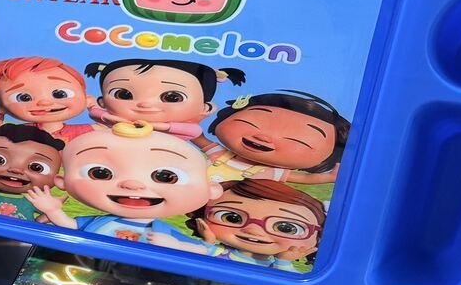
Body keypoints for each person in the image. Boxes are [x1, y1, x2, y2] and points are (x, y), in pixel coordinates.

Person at [26, 121, 218, 252]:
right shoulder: (97, 221)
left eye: (166, 177)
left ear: (211, 190)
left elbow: (203, 250)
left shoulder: (163, 230)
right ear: (62, 181)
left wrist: (177, 245)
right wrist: (52, 210)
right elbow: (70, 225)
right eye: (100, 173)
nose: (132, 185)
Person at [198, 90, 350, 185]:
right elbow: (198, 137)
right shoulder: (219, 154)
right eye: (256, 120)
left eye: (296, 138)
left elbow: (304, 179)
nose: (263, 137)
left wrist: (330, 177)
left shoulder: (270, 172)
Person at [84, 58, 245, 139]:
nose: (145, 104)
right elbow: (96, 113)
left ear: (205, 108)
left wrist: (158, 126)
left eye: (172, 97)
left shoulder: (183, 129)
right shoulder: (111, 120)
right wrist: (107, 115)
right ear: (102, 101)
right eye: (123, 94)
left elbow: (194, 131)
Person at [185, 179, 326, 269]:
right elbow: (194, 256)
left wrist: (283, 261)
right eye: (231, 218)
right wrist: (207, 242)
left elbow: (287, 284)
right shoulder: (218, 251)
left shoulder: (275, 266)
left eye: (286, 228)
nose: (253, 231)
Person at [0, 56, 93, 143]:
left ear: (86, 98)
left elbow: (103, 129)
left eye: (60, 94)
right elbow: (3, 140)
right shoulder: (22, 132)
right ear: (0, 107)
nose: (44, 102)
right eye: (24, 97)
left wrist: (94, 108)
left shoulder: (82, 131)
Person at [0, 124, 64, 221]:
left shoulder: (31, 202)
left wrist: (46, 216)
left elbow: (50, 215)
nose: (16, 170)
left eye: (36, 168)